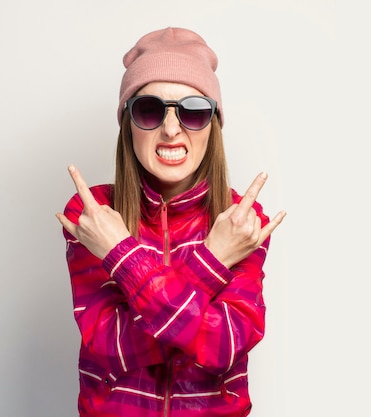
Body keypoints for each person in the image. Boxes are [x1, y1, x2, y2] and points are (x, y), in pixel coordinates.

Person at [56, 27, 286, 417]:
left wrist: (121, 258)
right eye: (150, 109)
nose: (171, 129)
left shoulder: (241, 221)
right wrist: (213, 261)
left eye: (193, 111)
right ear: (128, 123)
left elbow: (224, 346)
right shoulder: (93, 214)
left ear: (213, 124)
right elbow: (112, 345)